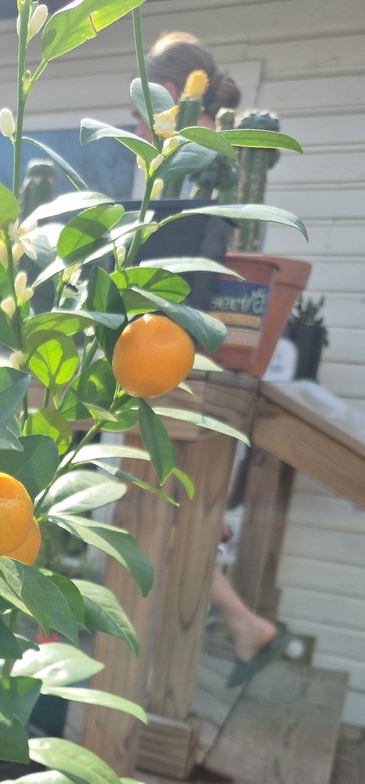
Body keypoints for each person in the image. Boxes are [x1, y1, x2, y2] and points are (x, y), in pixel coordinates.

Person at [141, 32, 288, 685]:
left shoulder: (202, 155)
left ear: (170, 93)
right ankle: (244, 625)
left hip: (188, 357)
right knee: (175, 517)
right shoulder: (198, 156)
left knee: (173, 518)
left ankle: (243, 626)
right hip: (184, 354)